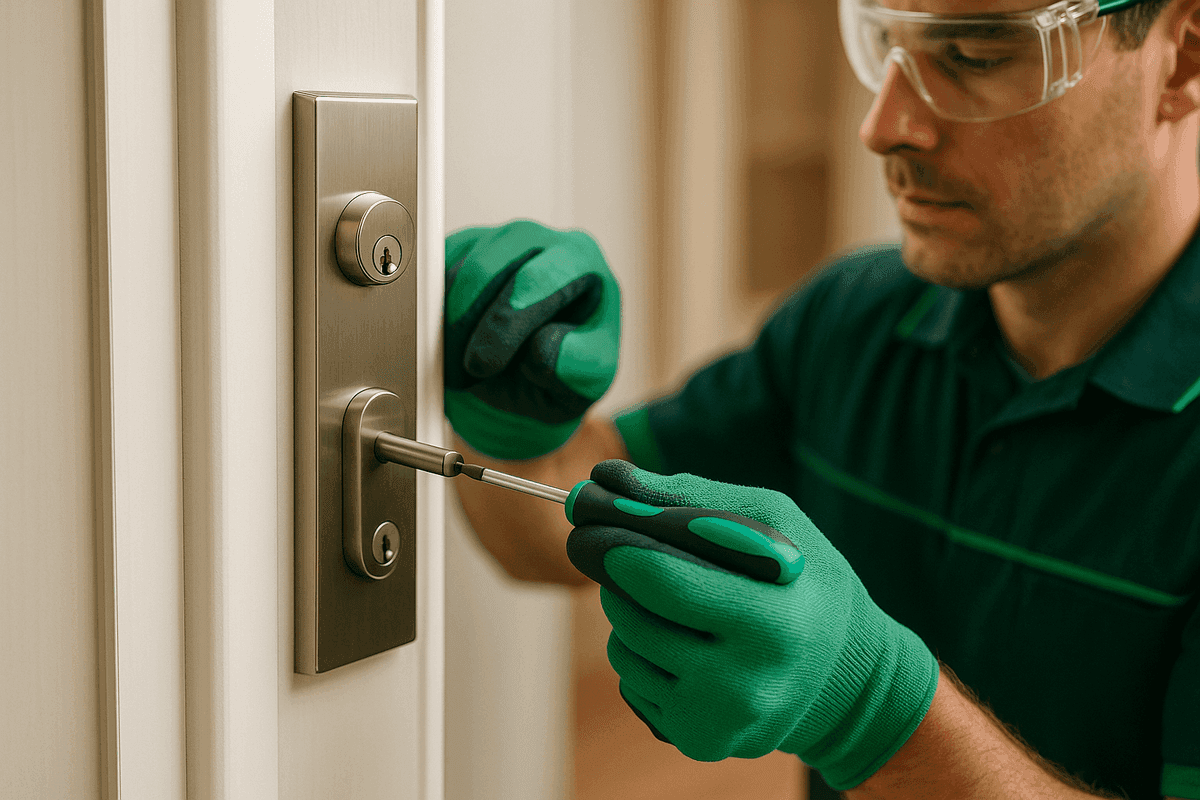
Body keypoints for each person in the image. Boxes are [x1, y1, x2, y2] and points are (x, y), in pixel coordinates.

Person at [444, 0, 1200, 796]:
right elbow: (553, 521)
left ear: (1179, 55)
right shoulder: (853, 320)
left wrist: (873, 714)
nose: (884, 126)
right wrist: (512, 412)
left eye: (975, 56)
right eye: (887, 45)